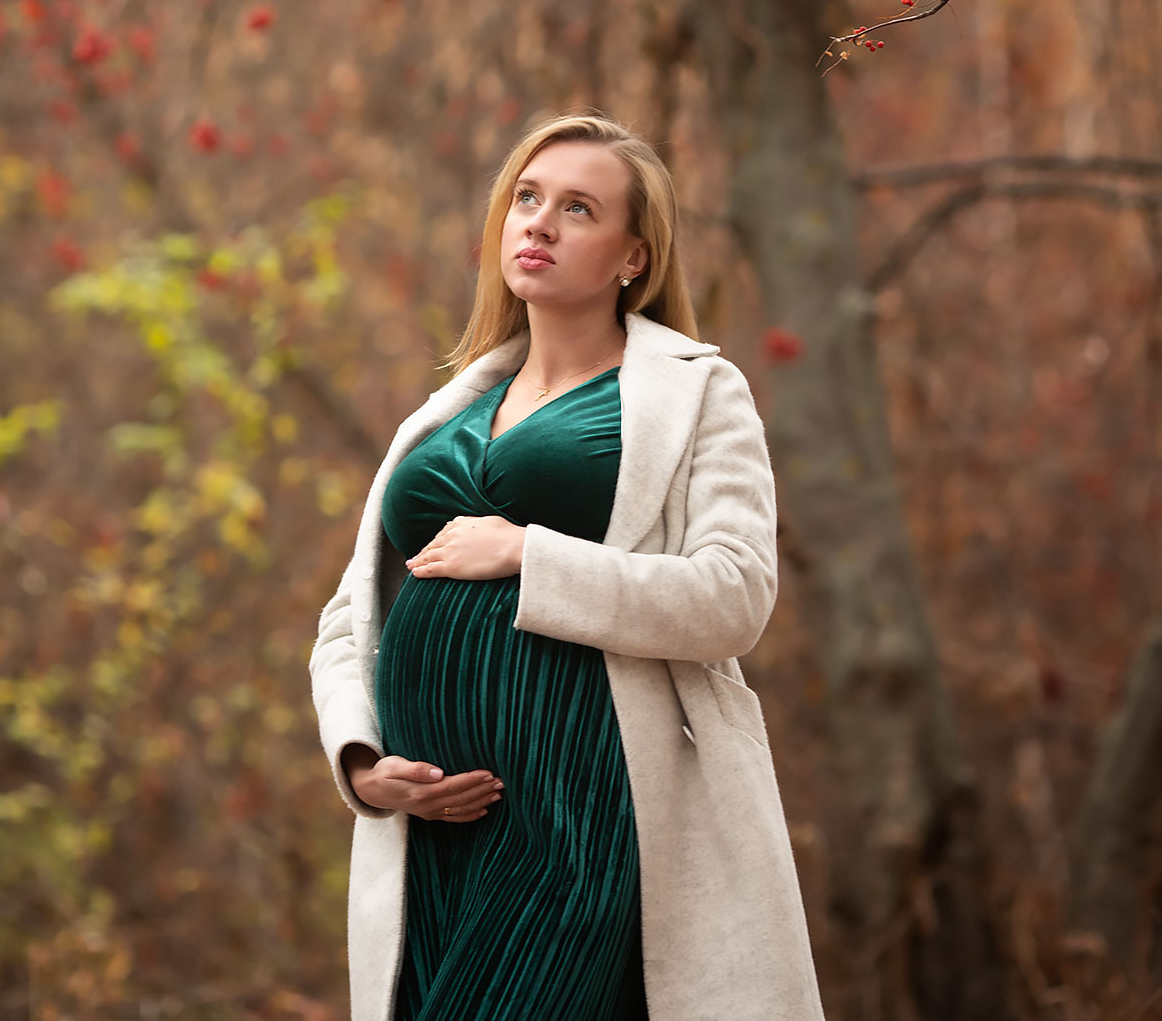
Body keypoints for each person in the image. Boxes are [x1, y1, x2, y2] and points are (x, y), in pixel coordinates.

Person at [310, 114, 825, 1021]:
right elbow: (353, 618)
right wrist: (361, 763)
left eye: (578, 209)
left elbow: (734, 597)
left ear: (634, 257)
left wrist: (526, 554)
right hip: (435, 836)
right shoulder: (446, 412)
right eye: (527, 198)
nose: (538, 224)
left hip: (582, 807)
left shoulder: (697, 392)